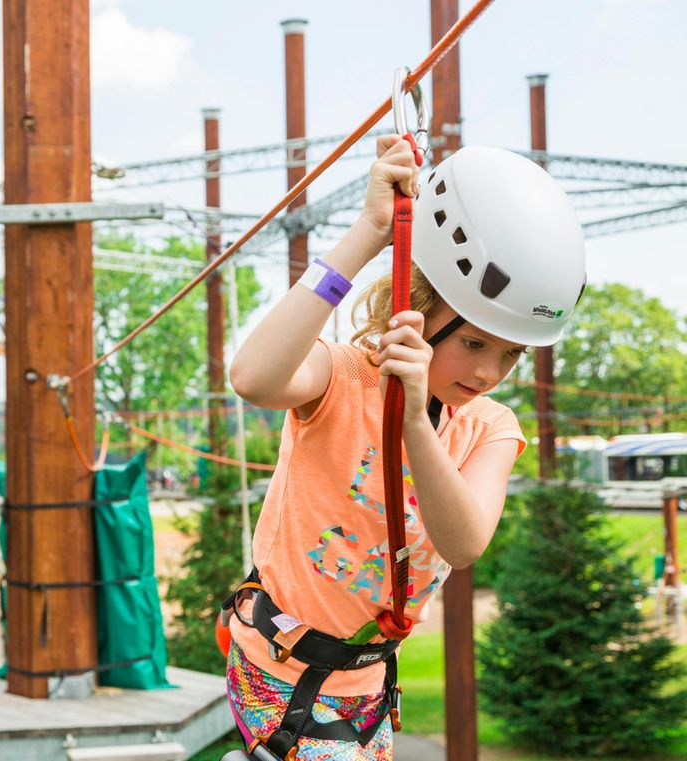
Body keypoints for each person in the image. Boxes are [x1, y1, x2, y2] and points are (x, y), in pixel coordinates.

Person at [223, 134, 586, 760]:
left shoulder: (489, 428)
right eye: (473, 344)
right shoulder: (342, 377)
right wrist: (367, 234)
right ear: (420, 308)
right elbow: (254, 377)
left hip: (366, 685)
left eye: (510, 354)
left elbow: (464, 542)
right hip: (278, 668)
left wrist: (416, 422)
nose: (490, 371)